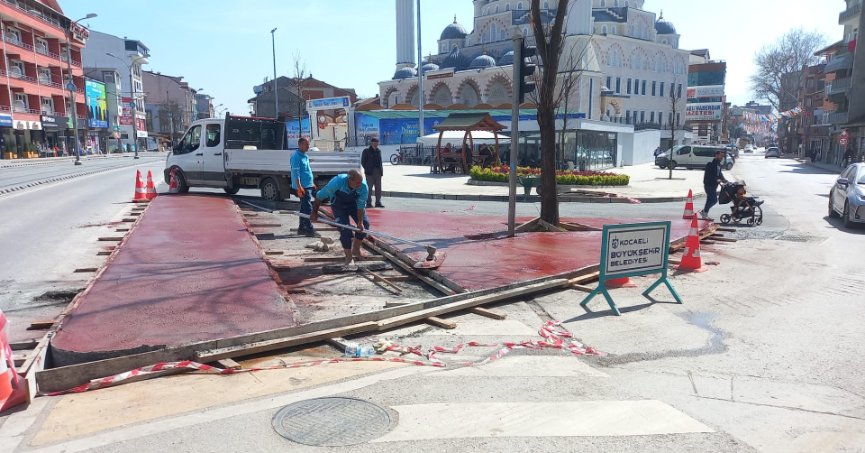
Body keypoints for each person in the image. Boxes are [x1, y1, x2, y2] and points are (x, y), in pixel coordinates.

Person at [310, 169, 370, 266]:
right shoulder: (337, 182)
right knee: (345, 229)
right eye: (357, 183)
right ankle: (349, 257)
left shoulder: (363, 186)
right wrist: (314, 212)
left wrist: (360, 222)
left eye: (360, 182)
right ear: (349, 180)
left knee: (365, 225)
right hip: (339, 206)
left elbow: (361, 205)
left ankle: (356, 249)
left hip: (354, 205)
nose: (359, 185)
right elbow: (319, 196)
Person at [291, 137, 318, 237]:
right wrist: (299, 187)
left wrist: (312, 183)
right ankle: (309, 229)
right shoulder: (296, 157)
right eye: (306, 144)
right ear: (300, 144)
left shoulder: (304, 156)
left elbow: (307, 171)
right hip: (302, 187)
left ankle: (302, 228)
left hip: (308, 185)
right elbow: (295, 173)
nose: (308, 146)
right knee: (307, 208)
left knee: (303, 207)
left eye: (308, 144)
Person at [699, 150, 727, 221]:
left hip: (714, 186)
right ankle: (704, 212)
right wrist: (717, 180)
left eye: (722, 156)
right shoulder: (710, 164)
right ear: (716, 155)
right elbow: (710, 175)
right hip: (709, 185)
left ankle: (704, 213)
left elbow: (719, 174)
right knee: (714, 200)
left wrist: (724, 180)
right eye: (720, 156)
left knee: (709, 200)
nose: (722, 157)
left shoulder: (718, 165)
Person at [361, 138, 384, 208]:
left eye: (377, 142)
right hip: (369, 172)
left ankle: (378, 202)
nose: (376, 144)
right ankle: (368, 203)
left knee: (378, 188)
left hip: (378, 172)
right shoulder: (366, 151)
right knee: (369, 188)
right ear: (371, 143)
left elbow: (380, 162)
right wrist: (367, 169)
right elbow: (363, 162)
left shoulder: (378, 151)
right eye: (375, 142)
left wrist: (381, 171)